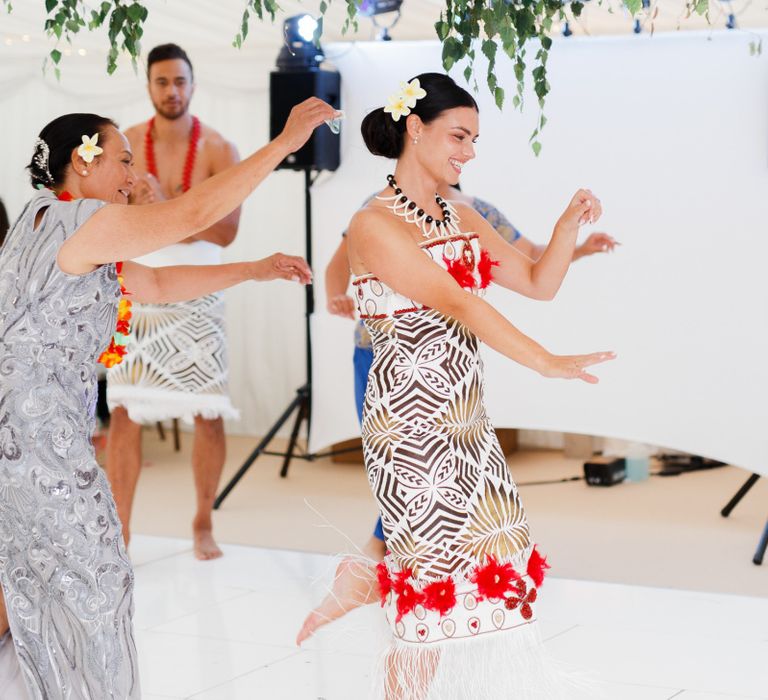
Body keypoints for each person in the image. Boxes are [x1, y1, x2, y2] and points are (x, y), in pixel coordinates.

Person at [0, 99, 336, 698]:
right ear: (83, 161)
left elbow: (151, 283)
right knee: (97, 577)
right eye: (123, 162)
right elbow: (196, 212)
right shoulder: (82, 222)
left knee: (39, 579)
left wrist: (251, 270)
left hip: (21, 435)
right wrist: (284, 143)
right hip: (35, 438)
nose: (133, 178)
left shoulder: (42, 217)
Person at [298, 73, 614, 698]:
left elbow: (537, 281)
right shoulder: (373, 225)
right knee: (426, 604)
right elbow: (459, 304)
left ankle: (364, 575)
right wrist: (546, 361)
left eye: (474, 139)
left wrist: (566, 224)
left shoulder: (463, 212)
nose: (468, 151)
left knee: (482, 573)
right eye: (458, 135)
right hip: (410, 424)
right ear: (415, 129)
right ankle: (376, 605)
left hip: (466, 418)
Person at [105, 43, 242, 560]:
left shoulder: (217, 148)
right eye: (162, 82)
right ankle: (121, 531)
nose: (172, 91)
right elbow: (106, 218)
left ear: (193, 84)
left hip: (199, 288)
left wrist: (172, 211)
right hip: (138, 286)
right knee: (123, 411)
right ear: (148, 86)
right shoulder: (126, 146)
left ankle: (203, 522)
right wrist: (142, 210)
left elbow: (227, 231)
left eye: (180, 81)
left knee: (208, 412)